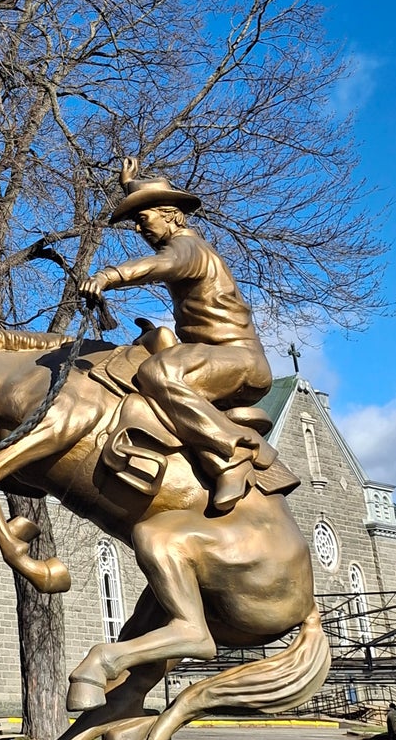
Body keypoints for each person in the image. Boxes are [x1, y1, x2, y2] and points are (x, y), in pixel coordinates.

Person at [82, 159, 276, 511]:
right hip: (214, 357)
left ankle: (232, 456)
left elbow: (161, 265)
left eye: (143, 219)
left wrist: (107, 276)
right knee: (149, 351)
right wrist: (131, 187)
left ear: (171, 215)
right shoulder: (184, 245)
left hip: (238, 360)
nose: (139, 229)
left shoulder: (189, 249)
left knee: (159, 372)